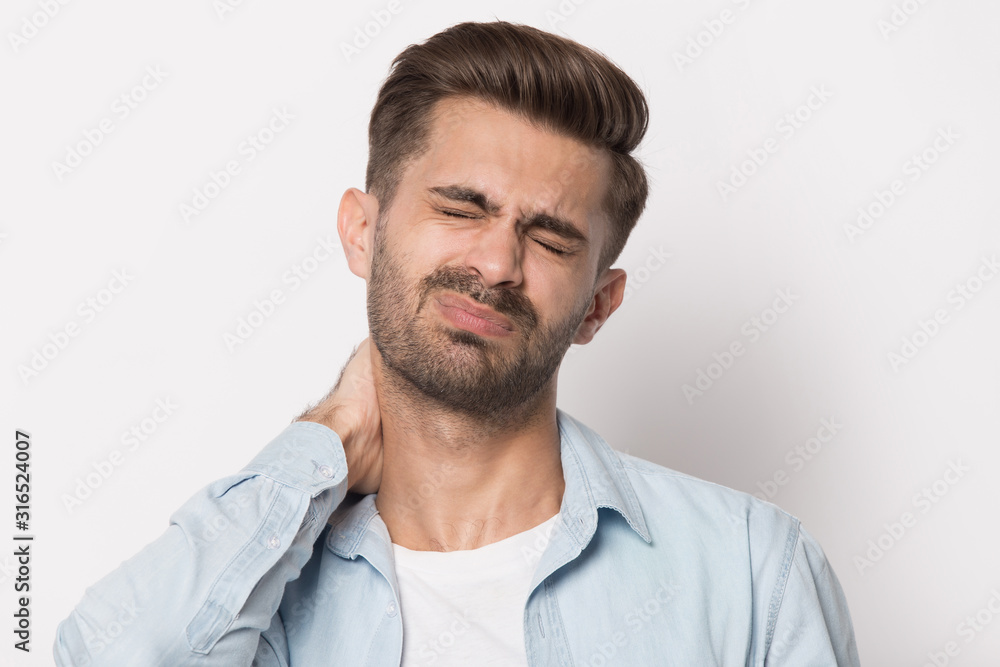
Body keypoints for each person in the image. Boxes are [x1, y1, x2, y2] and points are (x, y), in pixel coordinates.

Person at [54, 20, 860, 666]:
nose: (497, 262)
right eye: (461, 208)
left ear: (598, 305)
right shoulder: (257, 582)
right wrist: (326, 439)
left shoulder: (753, 570)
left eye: (550, 238)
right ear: (361, 232)